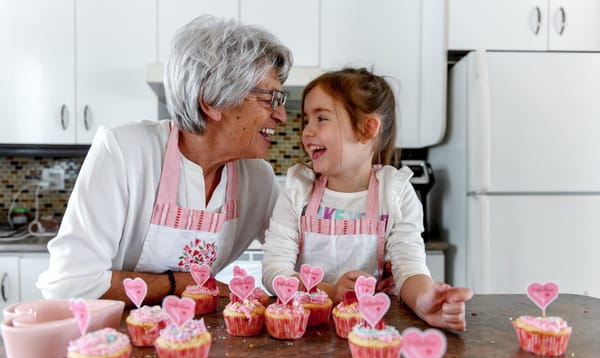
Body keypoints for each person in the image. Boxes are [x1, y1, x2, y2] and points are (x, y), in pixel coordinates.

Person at [37, 15, 293, 307]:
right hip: (114, 340)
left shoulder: (257, 177)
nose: (282, 116)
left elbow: (300, 254)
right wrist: (177, 284)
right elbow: (69, 282)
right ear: (210, 100)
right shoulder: (125, 152)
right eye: (269, 98)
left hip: (192, 339)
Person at [261, 67, 472, 330]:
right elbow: (274, 270)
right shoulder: (298, 188)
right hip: (307, 331)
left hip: (373, 329)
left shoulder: (394, 193)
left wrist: (425, 300)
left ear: (367, 128)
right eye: (306, 120)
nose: (306, 132)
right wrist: (329, 291)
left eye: (321, 119)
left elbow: (409, 268)